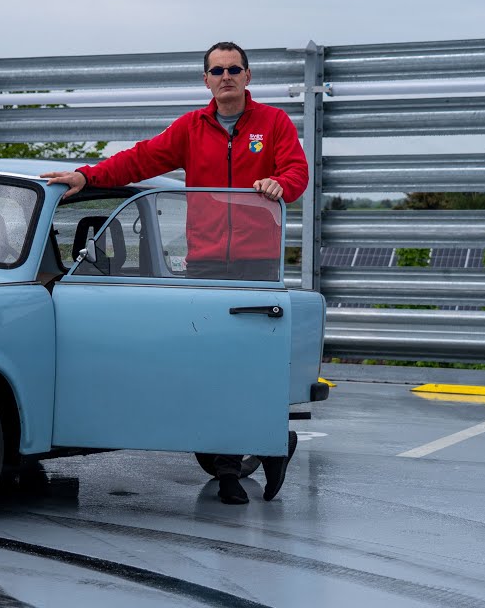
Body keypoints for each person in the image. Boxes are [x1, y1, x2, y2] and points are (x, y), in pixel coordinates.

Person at [41, 40, 309, 505]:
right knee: (210, 364)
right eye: (216, 70)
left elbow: (297, 172)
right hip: (205, 260)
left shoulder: (273, 123)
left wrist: (277, 184)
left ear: (248, 77)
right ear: (205, 80)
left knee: (252, 363)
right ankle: (230, 468)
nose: (225, 76)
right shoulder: (192, 127)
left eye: (234, 69)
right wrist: (87, 176)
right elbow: (141, 159)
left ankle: (270, 444)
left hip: (256, 260)